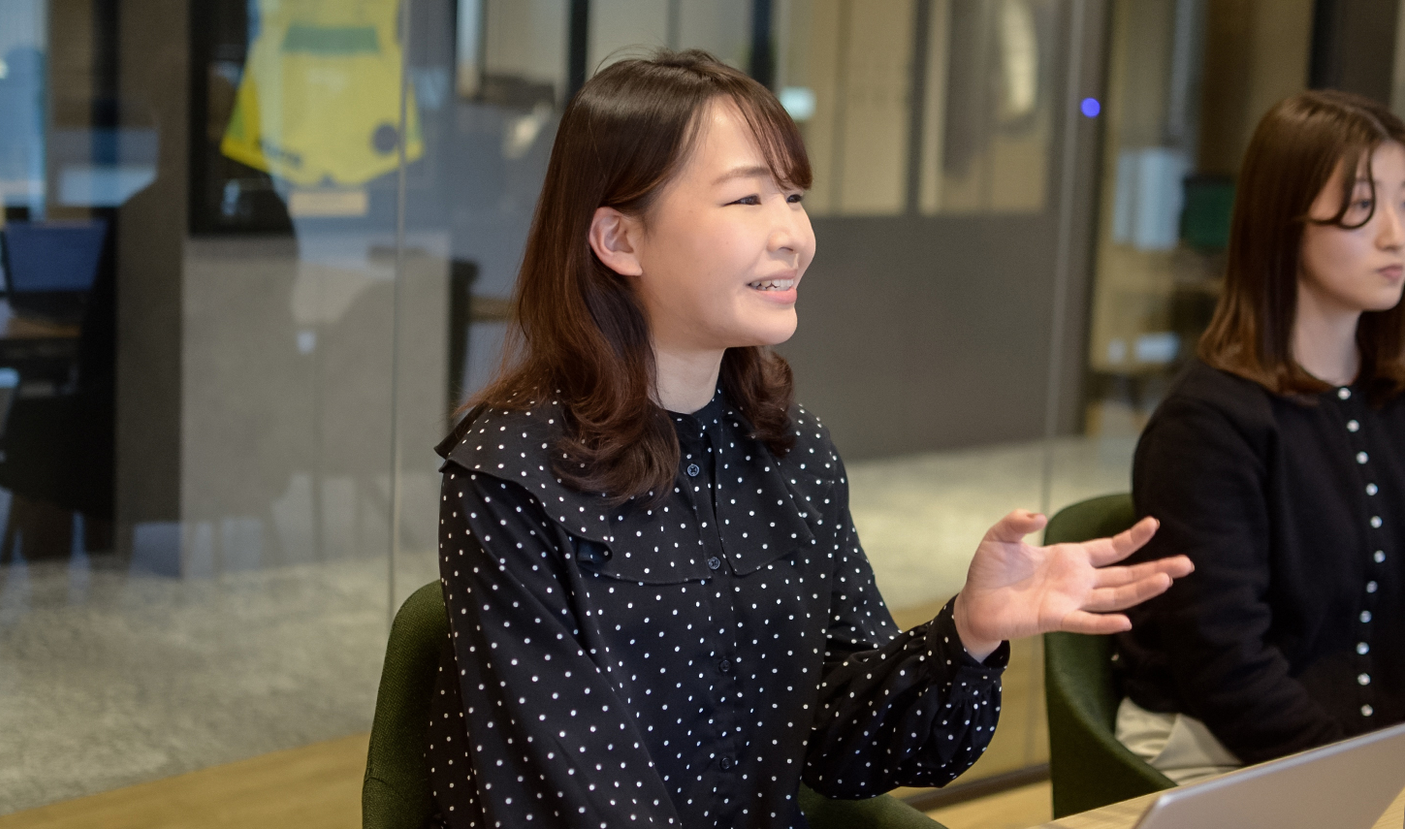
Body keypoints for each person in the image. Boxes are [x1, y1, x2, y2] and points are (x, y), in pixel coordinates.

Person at [425, 50, 1191, 828]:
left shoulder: (791, 451)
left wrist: (967, 631)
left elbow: (839, 742)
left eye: (792, 196)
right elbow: (569, 799)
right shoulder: (511, 473)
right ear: (620, 239)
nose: (793, 233)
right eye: (747, 197)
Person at [1117, 89, 1405, 785]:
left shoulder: (1390, 397)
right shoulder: (1208, 425)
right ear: (1285, 220)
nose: (1396, 233)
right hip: (1222, 752)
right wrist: (1364, 782)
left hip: (1366, 756)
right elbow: (1226, 665)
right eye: (1363, 206)